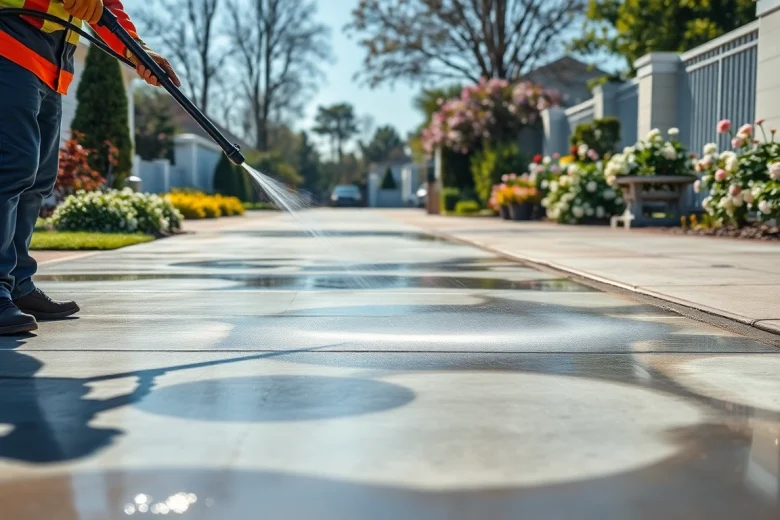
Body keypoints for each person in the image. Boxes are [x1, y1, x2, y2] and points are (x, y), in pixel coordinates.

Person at [0, 0, 180, 335]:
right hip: (9, 44)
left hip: (52, 66)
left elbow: (106, 5)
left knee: (39, 178)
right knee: (12, 167)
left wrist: (136, 51)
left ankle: (16, 285)